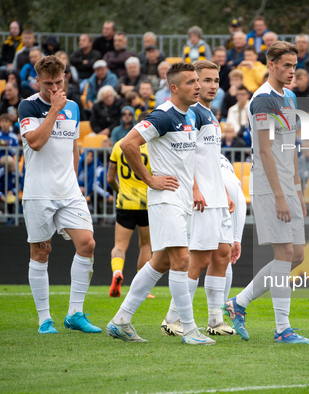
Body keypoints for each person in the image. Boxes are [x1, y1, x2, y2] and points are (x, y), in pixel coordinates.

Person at [106, 62, 215, 345]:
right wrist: (149, 179)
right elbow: (128, 144)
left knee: (161, 261)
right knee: (181, 259)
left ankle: (120, 321)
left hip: (182, 200)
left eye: (198, 81)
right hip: (164, 199)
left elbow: (186, 162)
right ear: (174, 87)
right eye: (191, 82)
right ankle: (189, 330)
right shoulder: (163, 115)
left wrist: (193, 188)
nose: (198, 86)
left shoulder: (190, 115)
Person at [223, 41, 309, 344]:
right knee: (284, 253)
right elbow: (263, 151)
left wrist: (297, 189)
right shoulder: (262, 99)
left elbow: (289, 146)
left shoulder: (289, 96)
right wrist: (278, 194)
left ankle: (238, 303)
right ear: (271, 64)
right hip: (267, 184)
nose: (291, 71)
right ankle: (282, 329)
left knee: (297, 254)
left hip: (287, 183)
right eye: (286, 65)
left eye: (294, 65)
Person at [18, 55, 100, 334]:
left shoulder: (74, 107)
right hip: (39, 191)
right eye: (49, 83)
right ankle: (45, 320)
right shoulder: (28, 106)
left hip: (68, 190)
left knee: (87, 244)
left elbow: (74, 147)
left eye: (59, 82)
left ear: (65, 77)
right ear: (38, 81)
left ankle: (75, 313)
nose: (54, 88)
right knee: (41, 252)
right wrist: (53, 109)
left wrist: (75, 182)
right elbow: (37, 143)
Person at [161, 60, 236, 337]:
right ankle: (173, 317)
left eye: (216, 80)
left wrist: (224, 191)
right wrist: (194, 188)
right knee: (199, 258)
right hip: (201, 197)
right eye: (205, 80)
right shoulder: (191, 114)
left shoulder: (210, 114)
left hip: (216, 195)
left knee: (222, 254)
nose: (211, 85)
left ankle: (215, 320)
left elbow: (211, 159)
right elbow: (186, 157)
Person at [107, 134, 153, 297]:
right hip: (146, 202)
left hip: (125, 202)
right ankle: (142, 288)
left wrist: (120, 191)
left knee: (120, 245)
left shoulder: (120, 145)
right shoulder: (152, 146)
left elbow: (110, 178)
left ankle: (117, 272)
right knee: (146, 245)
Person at [219, 153, 247, 300]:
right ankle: (219, 312)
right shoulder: (225, 159)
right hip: (233, 189)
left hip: (206, 187)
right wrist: (237, 239)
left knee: (195, 255)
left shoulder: (193, 150)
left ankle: (178, 314)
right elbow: (239, 198)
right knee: (226, 254)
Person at [0, 155, 19, 225]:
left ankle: (10, 218)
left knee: (11, 198)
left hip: (10, 193)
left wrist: (13, 191)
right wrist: (0, 194)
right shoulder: (0, 173)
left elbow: (19, 185)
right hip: (1, 193)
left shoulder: (16, 173)